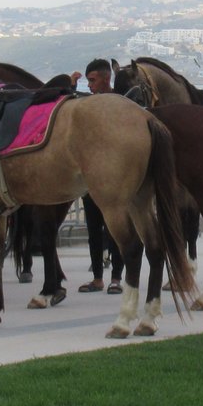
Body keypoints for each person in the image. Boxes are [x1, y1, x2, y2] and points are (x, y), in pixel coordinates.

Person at [77, 58, 125, 293]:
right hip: (91, 179)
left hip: (114, 179)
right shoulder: (87, 106)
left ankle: (117, 276)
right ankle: (97, 276)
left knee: (115, 229)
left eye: (93, 80)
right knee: (94, 229)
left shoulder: (120, 104)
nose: (89, 86)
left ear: (106, 79)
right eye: (88, 81)